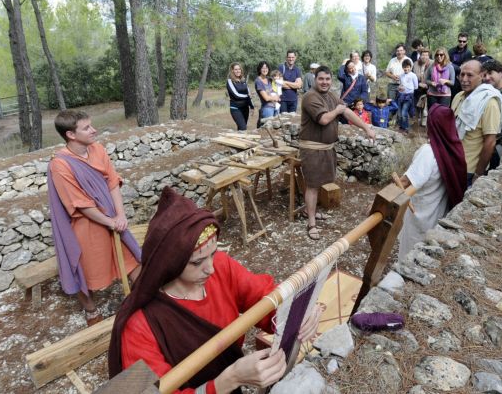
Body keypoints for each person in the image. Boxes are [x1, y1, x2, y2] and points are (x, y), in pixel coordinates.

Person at [108, 187, 321, 394]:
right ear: (170, 263)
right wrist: (227, 381)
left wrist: (296, 314)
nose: (210, 268)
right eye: (197, 262)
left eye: (212, 254)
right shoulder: (138, 327)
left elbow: (265, 300)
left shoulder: (221, 266)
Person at [47, 110, 142, 326]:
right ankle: (91, 311)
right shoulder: (60, 164)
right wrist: (110, 222)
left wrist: (120, 215)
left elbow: (112, 182)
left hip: (113, 217)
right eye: (87, 128)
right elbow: (79, 203)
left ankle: (146, 300)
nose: (94, 130)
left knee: (133, 258)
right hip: (87, 224)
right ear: (71, 135)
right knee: (86, 269)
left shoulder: (97, 149)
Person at [300, 66, 376, 240]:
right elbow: (324, 119)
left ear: (331, 80)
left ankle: (309, 211)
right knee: (312, 185)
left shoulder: (331, 95)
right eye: (321, 79)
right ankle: (311, 222)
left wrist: (366, 128)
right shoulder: (310, 97)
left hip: (326, 148)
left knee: (318, 183)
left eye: (327, 79)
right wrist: (338, 110)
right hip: (312, 149)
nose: (325, 82)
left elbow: (347, 111)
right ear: (315, 79)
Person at [396, 105, 466, 262]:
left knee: (410, 257)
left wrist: (381, 200)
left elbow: (406, 182)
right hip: (438, 214)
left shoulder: (428, 152)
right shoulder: (454, 148)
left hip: (420, 214)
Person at [452, 60, 502, 187]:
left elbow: (490, 141)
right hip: (451, 162)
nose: (464, 79)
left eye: (469, 75)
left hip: (468, 170)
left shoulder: (489, 103)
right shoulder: (459, 96)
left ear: (482, 75)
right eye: (462, 74)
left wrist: (478, 173)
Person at [226, 63, 255, 131]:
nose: (238, 71)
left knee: (242, 128)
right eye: (235, 69)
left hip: (245, 108)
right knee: (243, 128)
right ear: (232, 71)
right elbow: (236, 95)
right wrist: (248, 95)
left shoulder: (243, 81)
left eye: (239, 69)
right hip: (236, 108)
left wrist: (252, 106)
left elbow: (248, 94)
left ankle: (239, 141)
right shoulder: (230, 81)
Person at [448, 32, 473, 98]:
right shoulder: (451, 51)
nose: (462, 43)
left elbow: (465, 68)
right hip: (451, 79)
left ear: (467, 42)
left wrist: (453, 65)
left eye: (464, 41)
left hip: (463, 79)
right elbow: (447, 64)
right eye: (460, 41)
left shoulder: (468, 53)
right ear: (458, 40)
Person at [254, 61, 280, 127]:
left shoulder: (269, 79)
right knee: (267, 129)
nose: (265, 69)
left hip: (276, 107)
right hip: (267, 108)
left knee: (276, 128)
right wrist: (275, 98)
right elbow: (266, 98)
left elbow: (279, 85)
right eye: (263, 68)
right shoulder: (258, 81)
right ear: (260, 69)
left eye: (266, 68)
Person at [397, 59, 418, 133]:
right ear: (402, 68)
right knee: (399, 113)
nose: (406, 68)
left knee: (404, 112)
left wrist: (408, 90)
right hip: (401, 95)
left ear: (411, 67)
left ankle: (406, 127)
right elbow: (400, 85)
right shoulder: (401, 76)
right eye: (404, 67)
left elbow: (416, 87)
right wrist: (399, 88)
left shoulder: (413, 75)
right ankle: (401, 126)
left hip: (408, 96)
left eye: (408, 67)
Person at [413, 49, 433, 126]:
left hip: (429, 87)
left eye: (426, 55)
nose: (424, 57)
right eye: (423, 55)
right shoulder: (415, 64)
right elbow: (412, 75)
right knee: (417, 104)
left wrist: (427, 84)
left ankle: (424, 120)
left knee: (426, 104)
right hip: (417, 86)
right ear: (420, 55)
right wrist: (418, 84)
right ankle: (416, 120)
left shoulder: (433, 63)